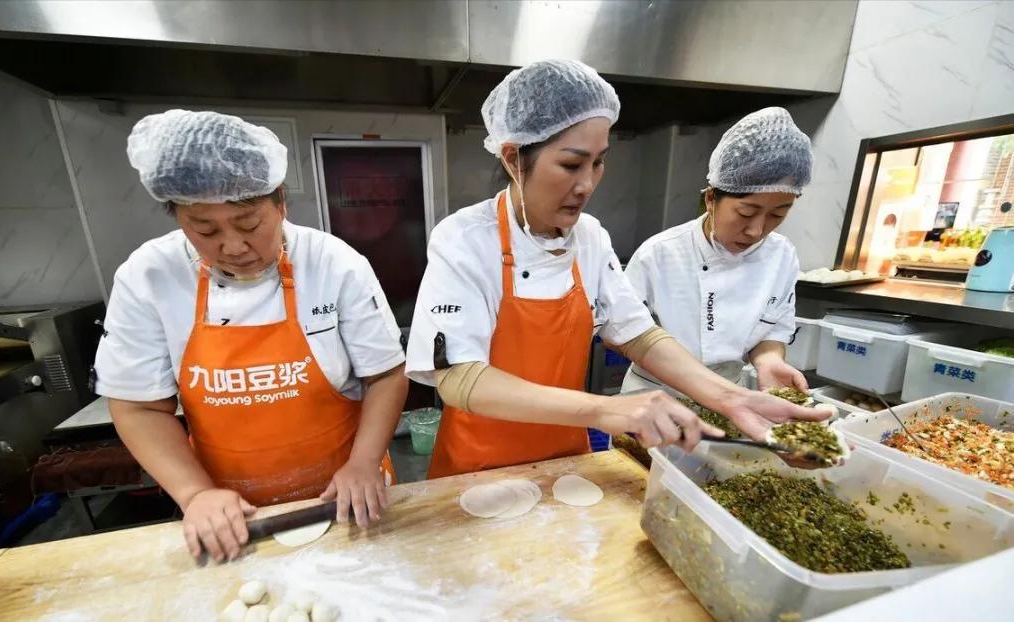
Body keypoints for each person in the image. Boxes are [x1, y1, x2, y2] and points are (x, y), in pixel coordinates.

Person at [405, 61, 824, 479]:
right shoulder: (464, 239)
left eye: (599, 162)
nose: (587, 184)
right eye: (572, 164)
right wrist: (605, 409)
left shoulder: (589, 237)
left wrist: (730, 397)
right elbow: (459, 378)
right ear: (515, 158)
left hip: (564, 460)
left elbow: (638, 335)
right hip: (477, 469)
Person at [94, 110, 408, 561]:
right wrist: (195, 494)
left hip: (347, 496)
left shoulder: (333, 263)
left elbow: (385, 375)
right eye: (204, 230)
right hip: (231, 514)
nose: (234, 247)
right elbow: (138, 407)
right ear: (178, 216)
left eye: (249, 224)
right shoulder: (148, 276)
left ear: (280, 202)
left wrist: (363, 464)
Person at [622, 107, 812, 395]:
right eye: (747, 212)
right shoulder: (659, 254)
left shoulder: (782, 257)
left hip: (731, 395)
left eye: (777, 215)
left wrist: (769, 360)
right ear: (712, 198)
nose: (756, 231)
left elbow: (773, 329)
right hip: (657, 395)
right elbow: (625, 332)